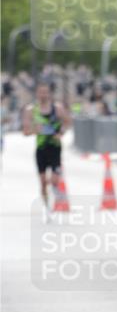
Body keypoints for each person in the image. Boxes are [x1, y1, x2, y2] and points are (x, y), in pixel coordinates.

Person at [22, 80, 70, 216]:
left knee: (55, 179)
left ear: (49, 93)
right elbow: (25, 132)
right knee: (43, 182)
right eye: (41, 92)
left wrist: (61, 133)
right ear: (37, 94)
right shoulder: (31, 110)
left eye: (46, 92)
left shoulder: (58, 108)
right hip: (41, 148)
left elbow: (68, 122)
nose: (43, 95)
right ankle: (47, 205)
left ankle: (55, 189)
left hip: (55, 147)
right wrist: (34, 129)